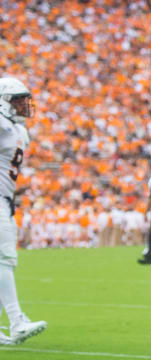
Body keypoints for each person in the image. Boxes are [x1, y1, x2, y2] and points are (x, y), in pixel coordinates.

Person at [0, 77, 47, 345]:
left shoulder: (16, 130)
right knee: (4, 260)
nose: (24, 105)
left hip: (5, 200)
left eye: (24, 99)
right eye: (17, 99)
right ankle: (17, 322)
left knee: (3, 263)